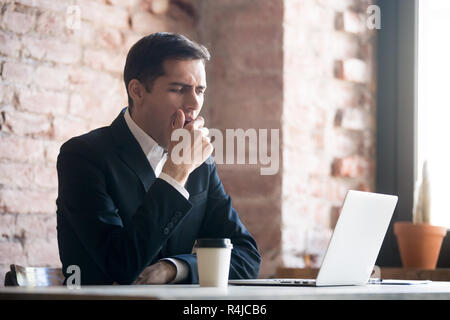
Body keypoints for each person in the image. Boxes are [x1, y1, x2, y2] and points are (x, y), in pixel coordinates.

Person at [56, 32, 261, 285]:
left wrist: (176, 268)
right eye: (179, 89)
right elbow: (121, 264)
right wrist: (176, 172)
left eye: (200, 90)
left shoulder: (200, 164)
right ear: (137, 91)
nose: (194, 104)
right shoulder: (83, 156)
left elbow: (248, 257)